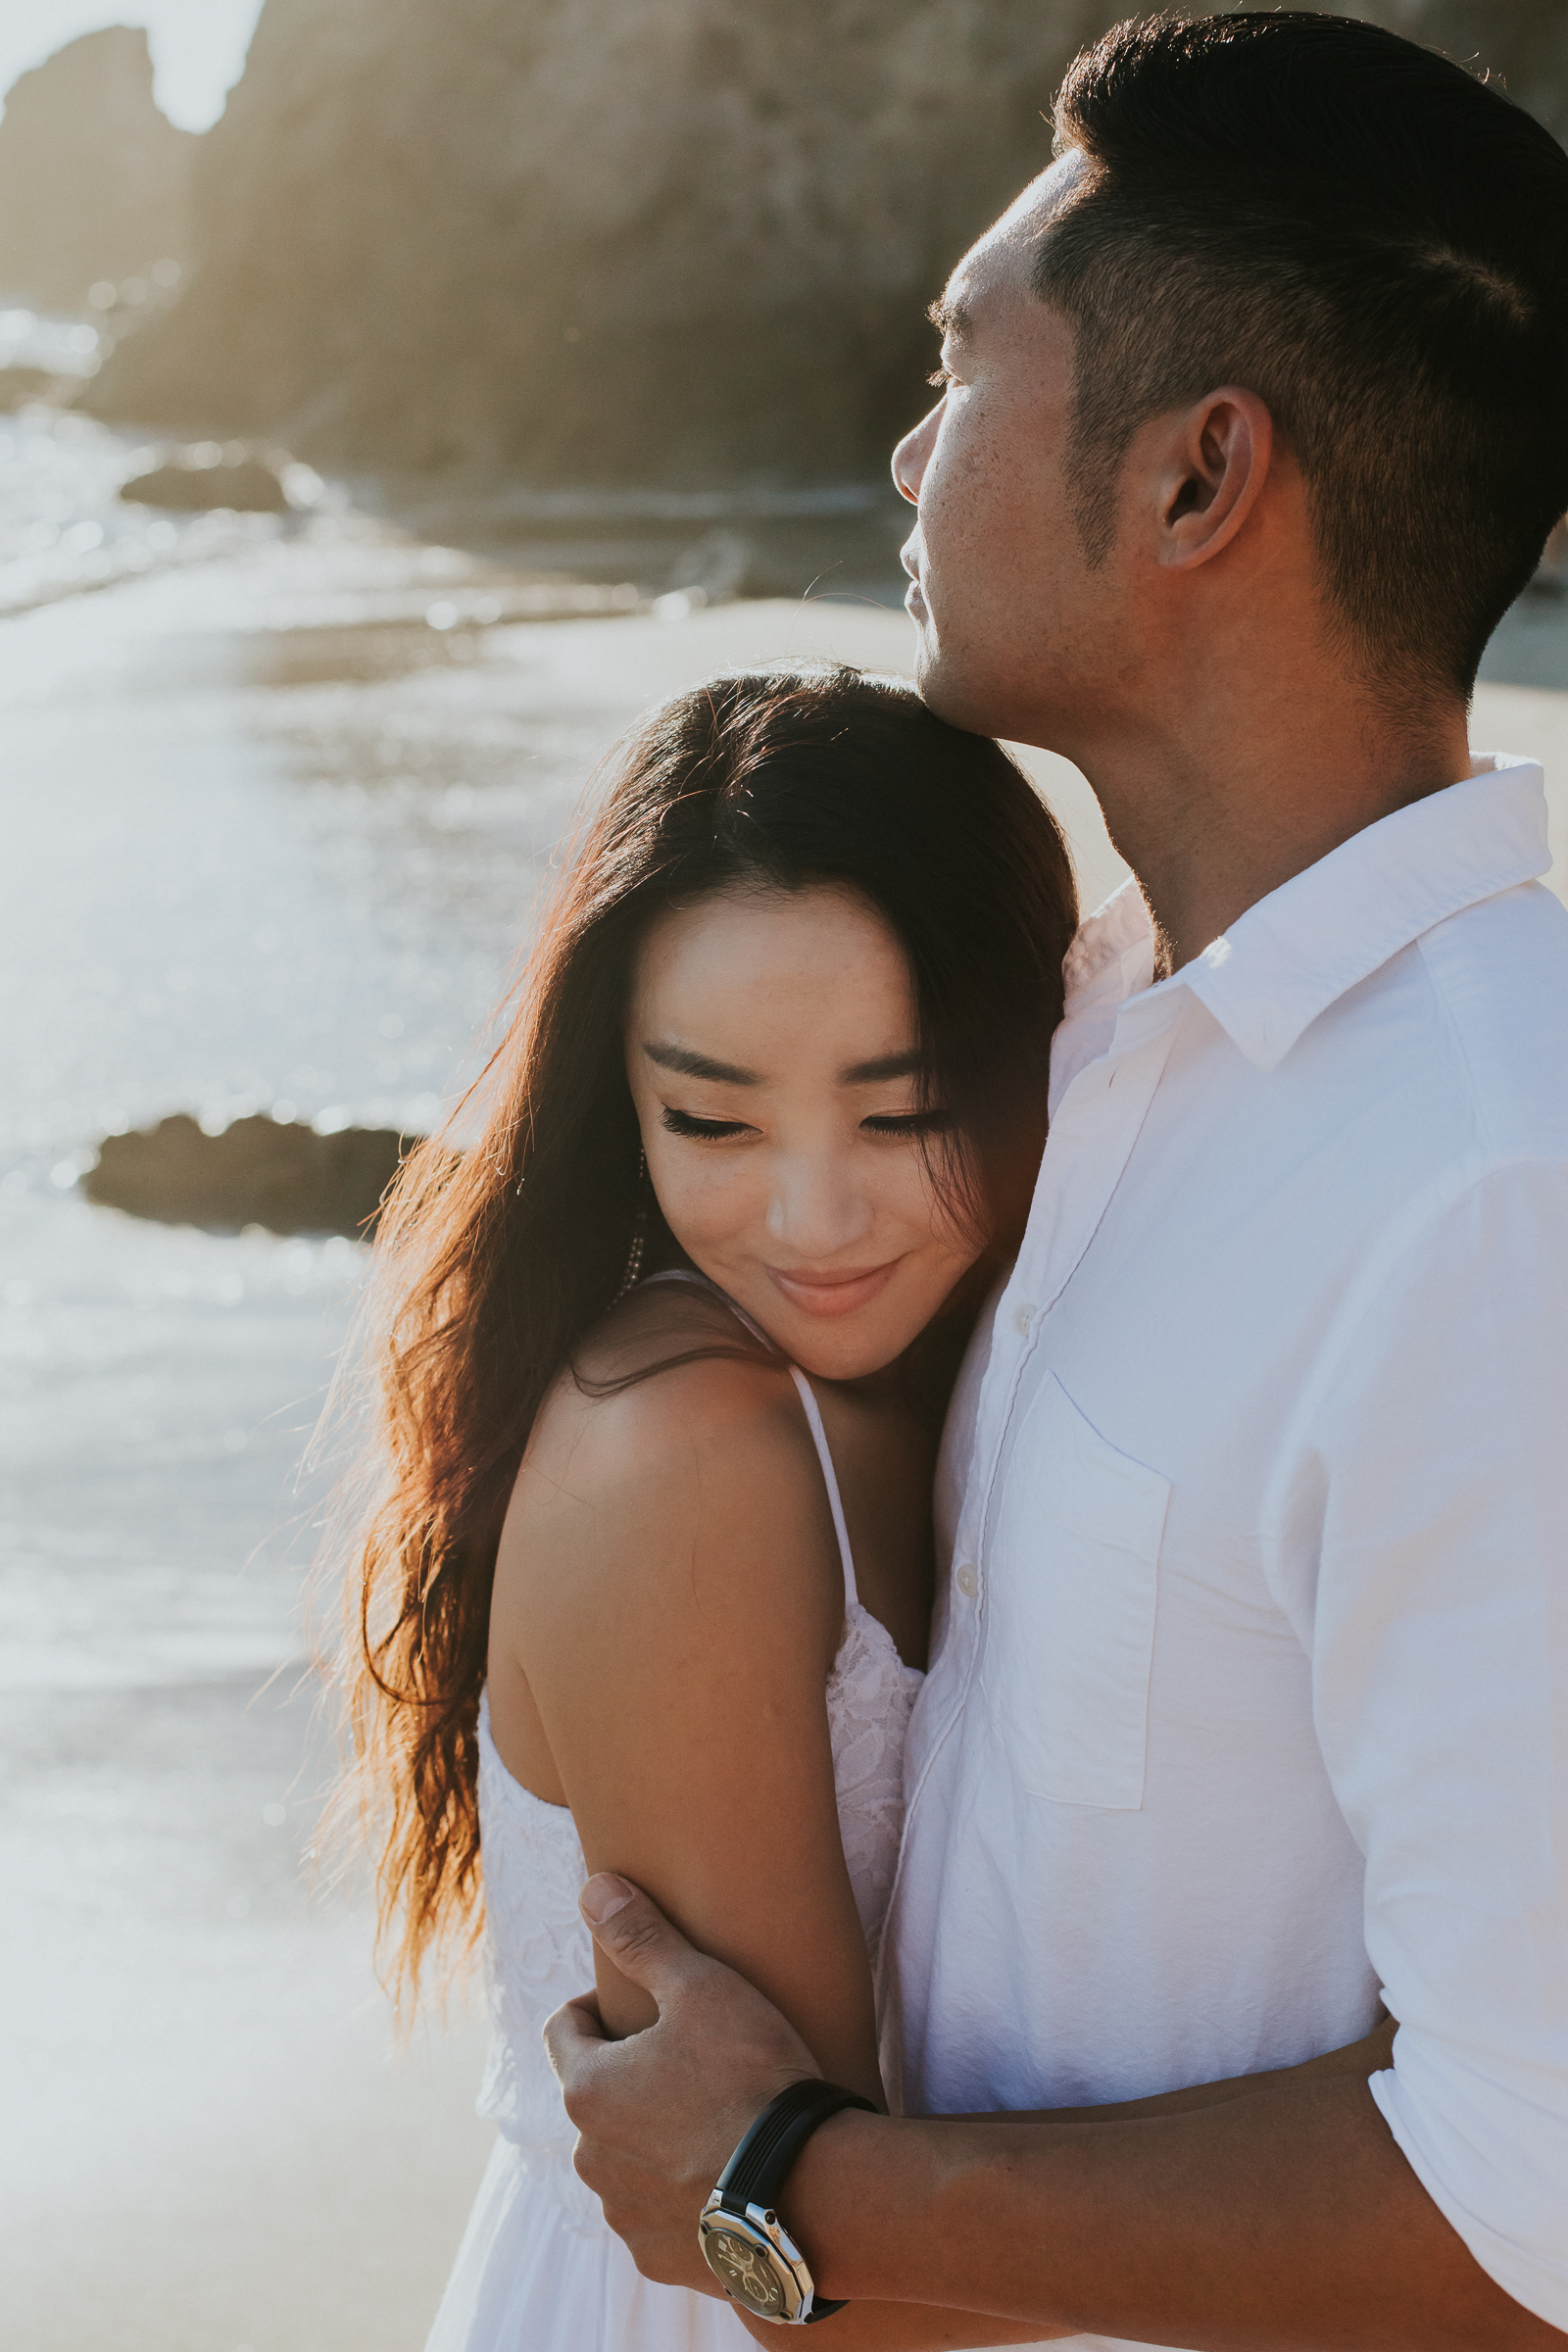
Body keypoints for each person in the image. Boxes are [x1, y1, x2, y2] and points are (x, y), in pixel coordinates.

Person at [546, 14, 1568, 2351]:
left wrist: (797, 2191)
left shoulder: (1483, 1195)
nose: (908, 445)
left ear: (1200, 475)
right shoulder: (1081, 1032)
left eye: (959, 362)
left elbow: (1534, 2191)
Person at [342, 663, 1089, 2350]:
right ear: (622, 1101)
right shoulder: (682, 1453)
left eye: (903, 1110)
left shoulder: (966, 1359)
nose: (815, 1216)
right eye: (712, 1118)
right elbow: (807, 2276)